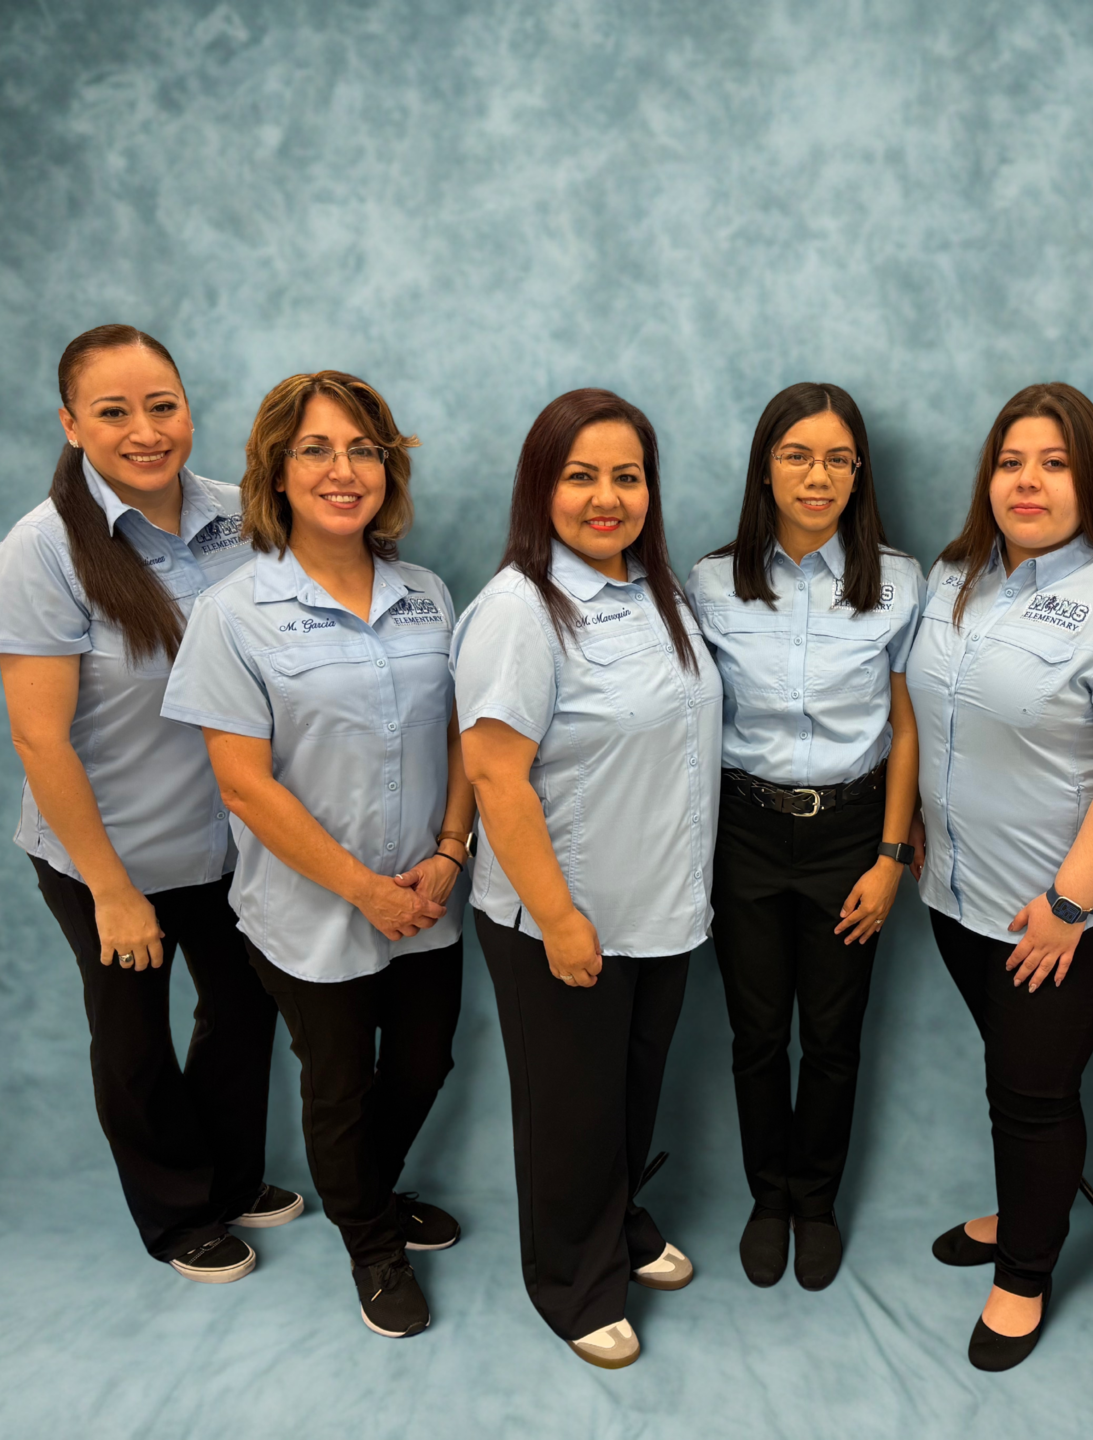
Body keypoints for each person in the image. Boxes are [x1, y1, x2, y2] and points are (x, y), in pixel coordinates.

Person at [0, 324, 298, 1285]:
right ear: (71, 425)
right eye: (113, 411)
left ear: (188, 407)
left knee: (245, 1010)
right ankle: (176, 1215)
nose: (145, 430)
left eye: (163, 405)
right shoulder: (41, 553)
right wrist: (112, 891)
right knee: (134, 1040)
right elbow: (40, 740)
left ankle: (230, 1178)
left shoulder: (244, 516)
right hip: (111, 853)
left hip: (234, 842)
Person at [161, 370, 471, 1340]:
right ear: (277, 472)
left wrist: (451, 851)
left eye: (362, 449)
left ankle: (368, 1192)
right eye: (316, 450)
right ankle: (371, 1244)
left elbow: (463, 734)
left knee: (423, 1063)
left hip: (426, 892)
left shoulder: (427, 595)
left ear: (387, 468)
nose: (344, 470)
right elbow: (244, 785)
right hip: (311, 906)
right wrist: (363, 891)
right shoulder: (235, 611)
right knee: (340, 1087)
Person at [909, 382, 1093, 1371]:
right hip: (956, 893)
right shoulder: (955, 577)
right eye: (1011, 462)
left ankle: (1024, 1273)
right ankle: (1029, 1203)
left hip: (1062, 912)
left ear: (1090, 480)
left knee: (1033, 1092)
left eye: (1055, 464)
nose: (1028, 482)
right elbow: (925, 714)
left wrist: (1070, 903)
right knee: (1013, 1075)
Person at [454, 388, 722, 1370]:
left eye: (627, 476)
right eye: (580, 477)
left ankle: (619, 1223)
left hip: (660, 907)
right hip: (564, 917)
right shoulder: (519, 612)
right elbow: (495, 776)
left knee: (629, 1097)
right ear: (541, 489)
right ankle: (574, 1284)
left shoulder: (659, 593)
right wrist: (559, 916)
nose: (606, 498)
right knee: (572, 1112)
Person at [685, 382, 923, 1292]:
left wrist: (891, 857)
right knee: (755, 1034)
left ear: (859, 473)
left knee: (832, 1034)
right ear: (766, 468)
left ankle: (815, 1202)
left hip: (852, 832)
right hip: (744, 830)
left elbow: (906, 728)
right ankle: (768, 1197)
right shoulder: (711, 582)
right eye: (797, 455)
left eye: (836, 458)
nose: (816, 476)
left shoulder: (899, 582)